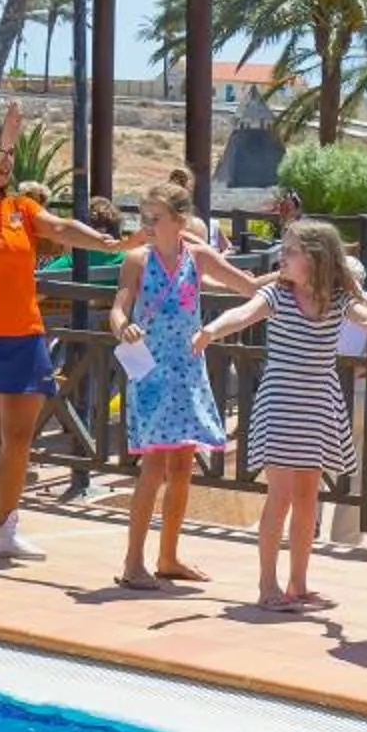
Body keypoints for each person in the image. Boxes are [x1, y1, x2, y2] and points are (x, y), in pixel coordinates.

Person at [0, 104, 139, 566]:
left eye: (9, 155)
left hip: (24, 335)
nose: (7, 162)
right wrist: (2, 141)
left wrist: (106, 242)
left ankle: (4, 529)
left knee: (19, 439)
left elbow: (60, 227)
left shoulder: (20, 208)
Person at [198, 221, 367, 609]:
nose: (283, 257)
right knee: (279, 496)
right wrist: (211, 329)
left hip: (317, 400)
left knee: (308, 497)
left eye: (292, 251)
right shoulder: (277, 294)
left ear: (314, 258)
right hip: (281, 401)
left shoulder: (337, 298)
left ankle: (298, 583)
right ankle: (267, 586)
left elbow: (362, 313)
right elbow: (244, 314)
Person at [112, 180, 260, 588]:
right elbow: (118, 308)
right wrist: (124, 328)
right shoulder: (138, 260)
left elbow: (244, 286)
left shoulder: (197, 255)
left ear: (178, 221)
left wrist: (289, 278)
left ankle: (168, 556)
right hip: (154, 374)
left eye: (154, 218)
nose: (146, 225)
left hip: (187, 373)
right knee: (154, 467)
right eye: (144, 218)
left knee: (181, 468)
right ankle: (132, 562)